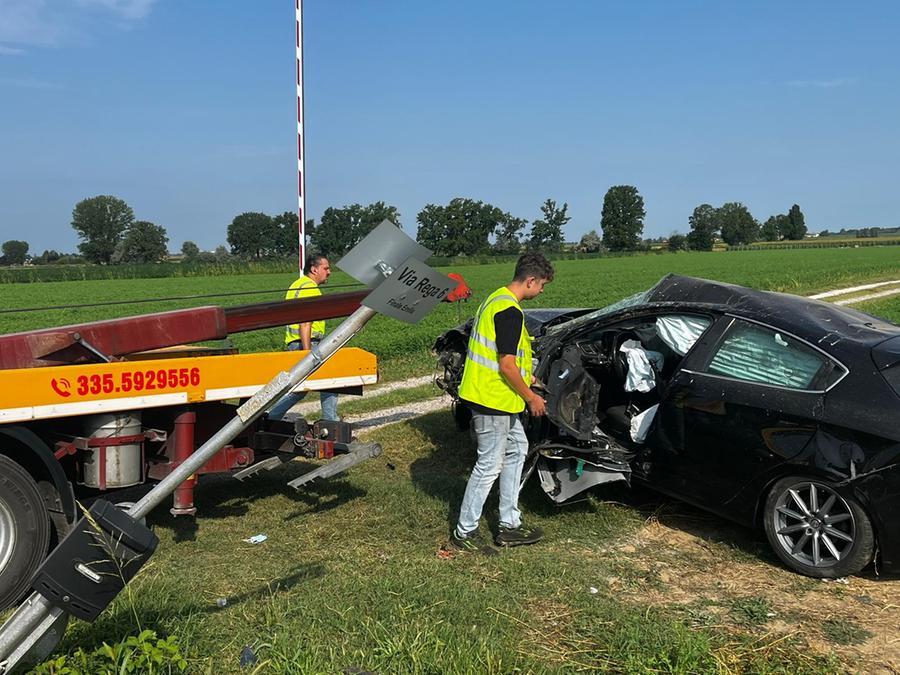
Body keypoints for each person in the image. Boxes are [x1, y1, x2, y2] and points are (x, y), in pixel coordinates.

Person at [451, 252, 554, 551]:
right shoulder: (510, 311)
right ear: (531, 281)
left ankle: (509, 523)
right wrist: (531, 396)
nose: (542, 292)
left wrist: (528, 377)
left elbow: (508, 359)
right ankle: (464, 532)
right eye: (542, 286)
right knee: (489, 465)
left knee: (518, 449)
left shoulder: (496, 298)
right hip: (492, 398)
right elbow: (506, 364)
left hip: (496, 396)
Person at [268, 254, 339, 421]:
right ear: (314, 269)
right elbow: (305, 322)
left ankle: (272, 417)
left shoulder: (296, 285)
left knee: (299, 388)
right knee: (329, 382)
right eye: (326, 268)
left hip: (293, 342)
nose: (329, 272)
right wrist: (308, 353)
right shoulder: (310, 288)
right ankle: (331, 421)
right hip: (308, 343)